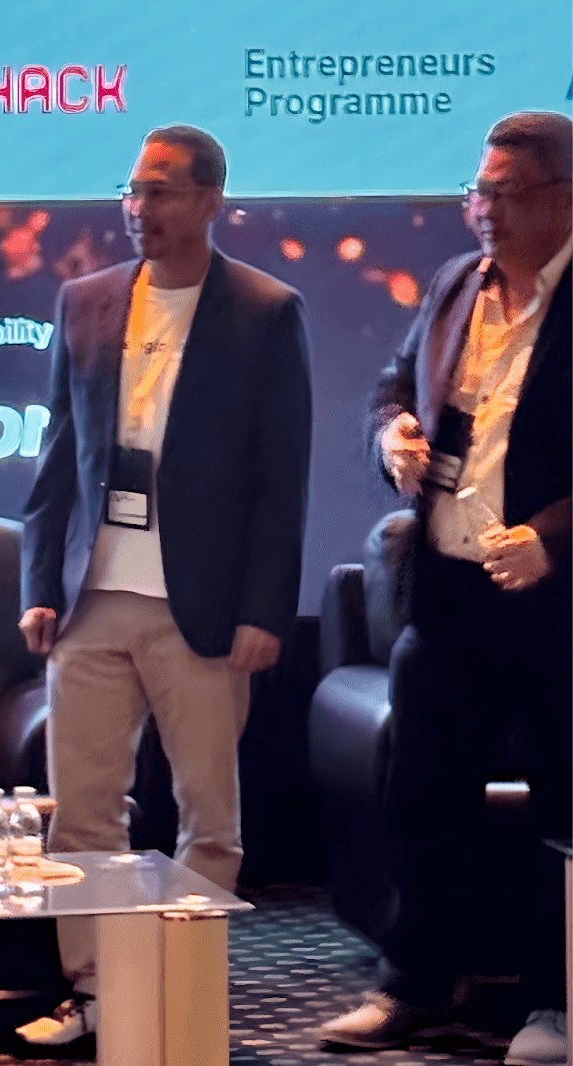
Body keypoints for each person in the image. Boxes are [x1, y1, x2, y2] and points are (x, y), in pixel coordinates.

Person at [16, 124, 313, 1045]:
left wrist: (266, 611)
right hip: (93, 598)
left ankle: (181, 992)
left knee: (209, 821)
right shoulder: (86, 302)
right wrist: (39, 586)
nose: (139, 208)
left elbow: (282, 477)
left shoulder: (264, 310)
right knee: (82, 817)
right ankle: (94, 994)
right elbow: (56, 461)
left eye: (161, 192)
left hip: (207, 608)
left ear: (210, 199)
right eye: (132, 190)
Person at [319, 111, 571, 1066]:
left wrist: (552, 539)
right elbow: (394, 384)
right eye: (479, 191)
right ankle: (416, 986)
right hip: (449, 594)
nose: (485, 211)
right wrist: (392, 434)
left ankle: (558, 1003)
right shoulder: (457, 282)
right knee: (424, 796)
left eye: (505, 194)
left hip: (555, 609)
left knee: (562, 811)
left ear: (563, 200)